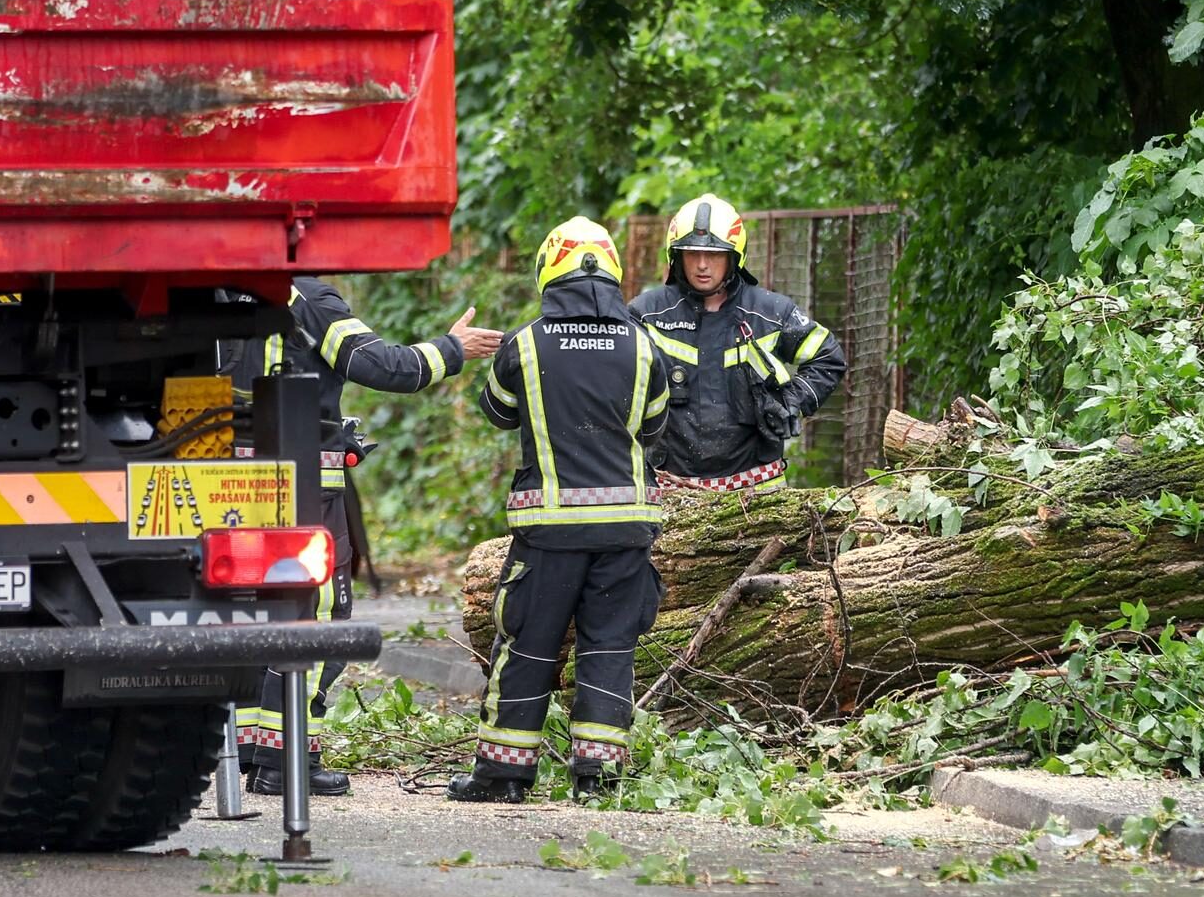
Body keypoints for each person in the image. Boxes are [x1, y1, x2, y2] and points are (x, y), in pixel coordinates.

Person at [229, 278, 502, 796]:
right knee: (320, 616)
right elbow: (382, 366)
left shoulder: (210, 289)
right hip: (302, 486)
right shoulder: (306, 299)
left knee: (248, 610)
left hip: (224, 485)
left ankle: (251, 747)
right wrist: (453, 349)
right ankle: (286, 760)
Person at [447, 217, 669, 804]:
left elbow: (497, 411)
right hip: (625, 530)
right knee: (609, 647)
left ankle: (504, 775)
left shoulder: (524, 343)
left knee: (527, 645)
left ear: (549, 271)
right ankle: (597, 777)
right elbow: (654, 425)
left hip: (547, 533)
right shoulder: (645, 345)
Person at [629, 193, 846, 491]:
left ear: (734, 256)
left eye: (714, 254)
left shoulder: (770, 313)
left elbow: (828, 357)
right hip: (671, 489)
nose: (702, 264)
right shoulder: (646, 314)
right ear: (676, 256)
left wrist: (790, 402)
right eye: (692, 253)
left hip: (758, 490)